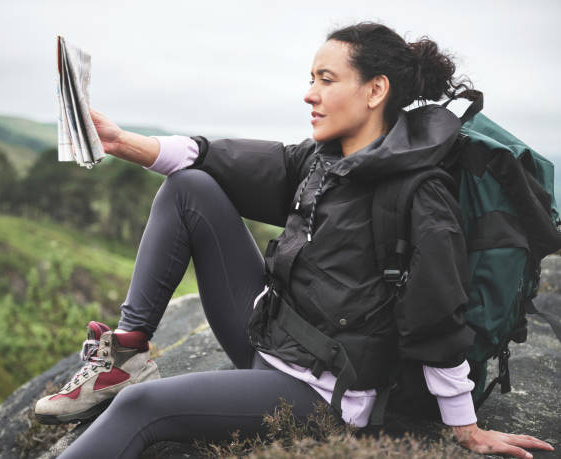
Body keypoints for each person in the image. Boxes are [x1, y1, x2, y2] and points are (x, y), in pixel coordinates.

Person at [36, 22, 554, 458]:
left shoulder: (419, 193)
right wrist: (121, 141)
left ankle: (130, 391)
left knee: (142, 409)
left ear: (375, 91)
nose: (310, 93)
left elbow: (437, 313)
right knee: (189, 187)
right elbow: (227, 162)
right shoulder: (324, 158)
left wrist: (463, 426)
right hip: (273, 339)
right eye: (311, 79)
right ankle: (126, 354)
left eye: (327, 80)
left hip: (324, 394)